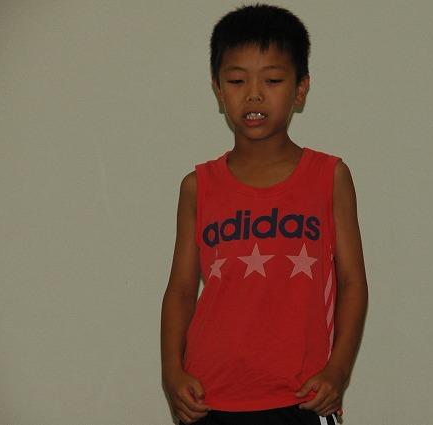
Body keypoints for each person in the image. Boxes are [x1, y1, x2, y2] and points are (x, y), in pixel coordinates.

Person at [160, 4, 368, 425]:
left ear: (300, 89)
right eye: (237, 81)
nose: (253, 94)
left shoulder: (329, 177)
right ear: (218, 90)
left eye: (272, 80)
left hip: (303, 397)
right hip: (209, 399)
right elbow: (181, 289)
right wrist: (172, 373)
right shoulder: (198, 186)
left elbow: (352, 281)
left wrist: (338, 370)